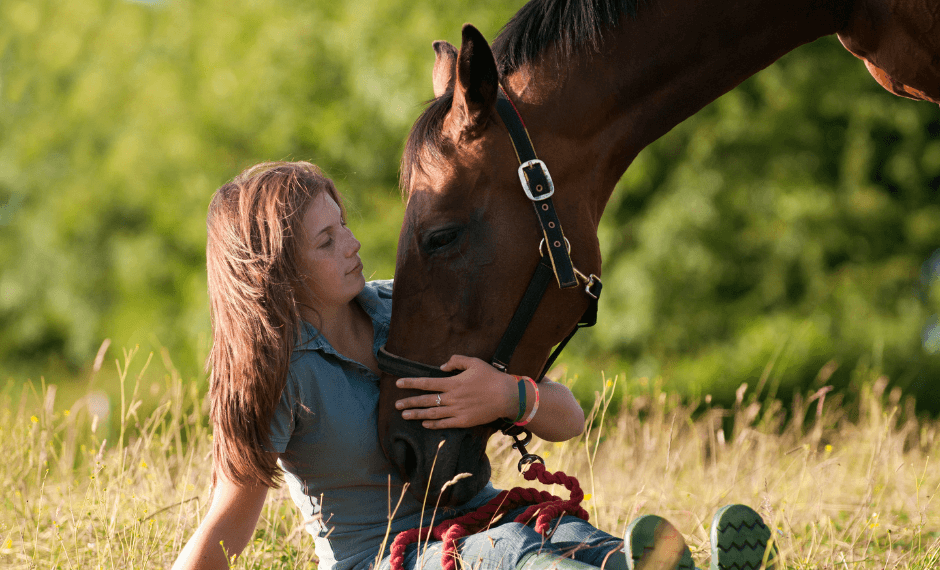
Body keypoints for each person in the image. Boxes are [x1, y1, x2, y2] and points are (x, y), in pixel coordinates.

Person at [172, 161, 776, 570]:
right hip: (392, 558)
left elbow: (570, 418)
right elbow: (228, 521)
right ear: (275, 271)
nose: (352, 243)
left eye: (344, 225)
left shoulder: (407, 310)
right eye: (325, 242)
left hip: (489, 521)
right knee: (522, 556)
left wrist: (509, 397)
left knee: (576, 545)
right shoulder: (277, 376)